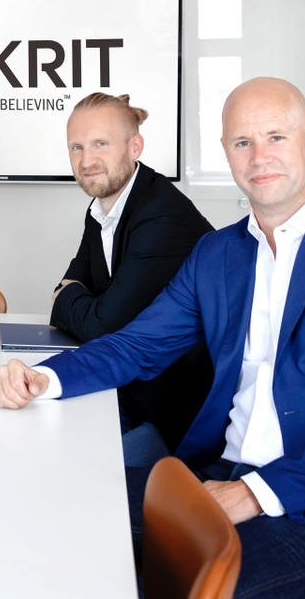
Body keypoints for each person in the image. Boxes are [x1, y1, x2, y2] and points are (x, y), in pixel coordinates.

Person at [0, 77, 305, 598]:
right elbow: (138, 344)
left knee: (166, 585)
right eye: (242, 142)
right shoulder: (217, 254)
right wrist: (43, 379)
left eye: (276, 137)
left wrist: (254, 492)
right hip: (216, 476)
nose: (259, 157)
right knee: (48, 510)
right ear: (226, 152)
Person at [52, 92, 214, 466]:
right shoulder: (101, 208)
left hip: (171, 414)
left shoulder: (162, 215)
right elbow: (77, 290)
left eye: (101, 144)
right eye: (76, 147)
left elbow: (100, 323)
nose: (86, 160)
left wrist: (72, 300)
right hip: (126, 384)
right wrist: (80, 302)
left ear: (135, 147)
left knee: (65, 463)